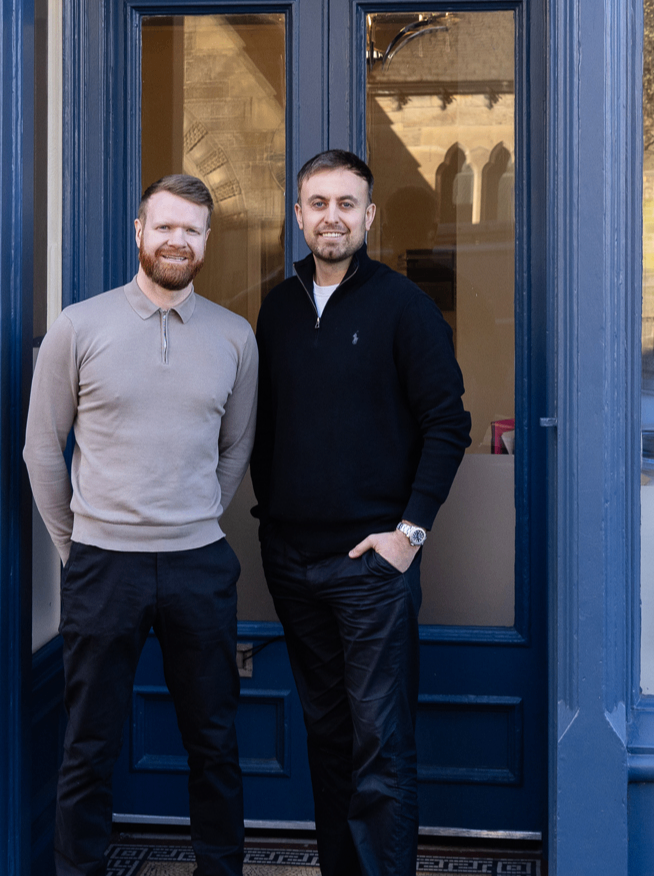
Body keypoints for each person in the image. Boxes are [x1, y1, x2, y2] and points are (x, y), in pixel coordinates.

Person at [25, 174, 258, 876]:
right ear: (139, 232)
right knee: (88, 746)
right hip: (103, 566)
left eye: (191, 229)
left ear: (206, 241)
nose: (176, 240)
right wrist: (75, 546)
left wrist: (192, 517)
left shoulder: (235, 337)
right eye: (164, 226)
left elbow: (236, 449)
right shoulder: (78, 327)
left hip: (199, 564)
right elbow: (42, 448)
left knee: (214, 742)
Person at [251, 149, 472, 874]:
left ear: (369, 216)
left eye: (346, 204)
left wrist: (409, 534)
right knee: (328, 738)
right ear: (299, 215)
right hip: (292, 562)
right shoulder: (277, 309)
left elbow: (448, 424)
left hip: (371, 567)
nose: (332, 217)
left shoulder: (403, 307)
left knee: (380, 747)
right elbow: (264, 425)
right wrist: (272, 523)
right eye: (318, 204)